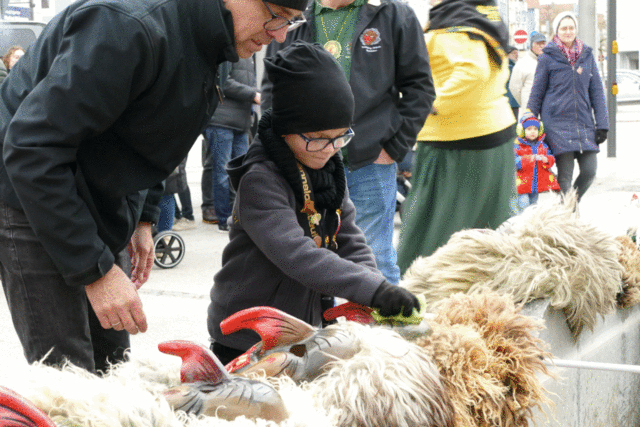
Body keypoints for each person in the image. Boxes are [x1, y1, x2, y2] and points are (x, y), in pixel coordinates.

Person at [0, 0, 310, 374]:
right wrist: (95, 271)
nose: (278, 34)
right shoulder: (128, 27)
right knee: (71, 378)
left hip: (95, 194)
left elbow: (155, 136)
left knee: (114, 366)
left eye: (291, 24)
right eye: (276, 18)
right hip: (30, 196)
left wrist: (144, 218)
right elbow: (32, 147)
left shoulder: (218, 44)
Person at [208, 41, 420, 364]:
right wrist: (372, 289)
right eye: (318, 138)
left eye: (340, 138)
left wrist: (378, 292)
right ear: (285, 128)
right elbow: (299, 257)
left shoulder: (329, 172)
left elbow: (348, 236)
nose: (329, 148)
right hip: (247, 336)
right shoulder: (261, 181)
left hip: (301, 330)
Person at [261, 0, 435, 285]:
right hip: (305, 162)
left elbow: (420, 88)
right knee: (305, 257)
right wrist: (279, 147)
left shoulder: (392, 14)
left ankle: (382, 326)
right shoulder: (295, 13)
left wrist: (393, 149)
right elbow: (272, 86)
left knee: (373, 258)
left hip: (368, 162)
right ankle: (321, 327)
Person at [396, 0, 517, 273]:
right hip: (481, 136)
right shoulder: (476, 15)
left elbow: (473, 71)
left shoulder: (456, 21)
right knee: (485, 234)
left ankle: (419, 302)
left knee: (434, 239)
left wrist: (431, 103)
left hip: (459, 142)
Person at [527, 11, 608, 201]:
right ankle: (570, 219)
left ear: (576, 30)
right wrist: (529, 121)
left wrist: (602, 125)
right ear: (557, 31)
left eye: (571, 27)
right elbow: (537, 92)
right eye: (564, 28)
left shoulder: (587, 56)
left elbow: (597, 92)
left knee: (589, 171)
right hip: (557, 125)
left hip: (584, 124)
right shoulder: (547, 57)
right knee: (564, 179)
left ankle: (570, 206)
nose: (568, 31)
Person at [203, 57, 260, 232]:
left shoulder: (250, 59)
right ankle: (224, 218)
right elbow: (223, 83)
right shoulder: (229, 53)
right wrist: (253, 94)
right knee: (222, 172)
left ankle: (238, 216)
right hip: (221, 121)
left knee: (241, 172)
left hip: (241, 123)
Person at [514, 114, 560, 210]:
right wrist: (529, 159)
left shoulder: (542, 145)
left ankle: (530, 224)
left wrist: (546, 159)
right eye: (529, 129)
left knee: (533, 206)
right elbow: (514, 161)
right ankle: (522, 223)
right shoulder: (518, 145)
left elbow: (551, 158)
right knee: (524, 204)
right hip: (521, 185)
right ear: (522, 130)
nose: (533, 132)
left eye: (535, 129)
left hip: (535, 186)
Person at [509, 31, 547, 117]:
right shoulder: (522, 63)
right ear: (532, 44)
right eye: (538, 43)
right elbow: (514, 88)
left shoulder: (549, 62)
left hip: (546, 112)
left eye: (543, 43)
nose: (541, 46)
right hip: (529, 113)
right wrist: (525, 103)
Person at [505, 45, 520, 120]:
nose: (516, 55)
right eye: (514, 53)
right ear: (507, 54)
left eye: (517, 53)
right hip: (510, 102)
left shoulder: (513, 66)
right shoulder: (508, 67)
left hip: (512, 101)